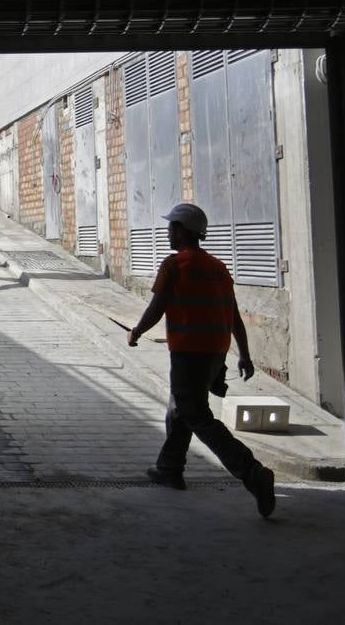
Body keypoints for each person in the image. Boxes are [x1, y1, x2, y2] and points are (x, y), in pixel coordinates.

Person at [127, 203, 276, 518]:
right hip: (215, 356)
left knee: (196, 415)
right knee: (184, 408)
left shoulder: (175, 265)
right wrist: (245, 355)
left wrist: (137, 331)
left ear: (181, 230)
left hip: (188, 353)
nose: (168, 232)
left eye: (171, 228)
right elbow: (233, 315)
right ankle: (169, 468)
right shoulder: (217, 267)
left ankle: (252, 473)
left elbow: (157, 306)